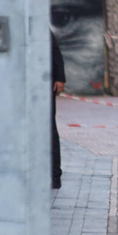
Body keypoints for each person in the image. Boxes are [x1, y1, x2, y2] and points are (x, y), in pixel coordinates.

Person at [51, 31, 66, 189]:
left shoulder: (41, 28)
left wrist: (60, 78)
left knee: (50, 129)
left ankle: (55, 174)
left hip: (44, 84)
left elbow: (56, 53)